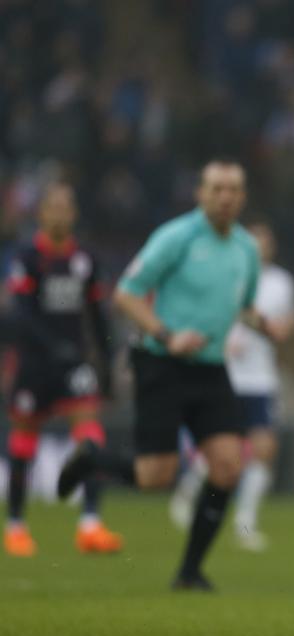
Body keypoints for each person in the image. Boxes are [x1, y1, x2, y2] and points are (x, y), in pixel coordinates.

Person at [57, 159, 273, 592]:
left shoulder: (246, 249)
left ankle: (190, 572)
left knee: (229, 467)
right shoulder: (176, 237)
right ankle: (91, 461)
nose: (225, 196)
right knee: (156, 476)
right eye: (217, 188)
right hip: (161, 361)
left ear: (243, 197)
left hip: (210, 367)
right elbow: (126, 294)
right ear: (200, 193)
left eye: (233, 189)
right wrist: (166, 334)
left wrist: (267, 325)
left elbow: (243, 307)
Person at [3, 183, 124, 557]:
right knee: (24, 443)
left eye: (65, 208)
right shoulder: (26, 256)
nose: (59, 214)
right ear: (40, 214)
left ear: (73, 215)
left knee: (91, 437)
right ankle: (16, 527)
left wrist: (106, 362)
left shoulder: (85, 258)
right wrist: (51, 347)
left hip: (74, 364)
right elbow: (20, 314)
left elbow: (98, 314)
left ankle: (90, 525)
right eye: (52, 208)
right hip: (35, 365)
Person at [168, 220, 294, 551]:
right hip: (227, 375)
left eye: (264, 243)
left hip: (261, 377)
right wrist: (219, 342)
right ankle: (185, 498)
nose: (259, 249)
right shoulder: (230, 274)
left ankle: (246, 521)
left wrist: (280, 329)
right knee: (219, 448)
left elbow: (287, 322)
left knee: (264, 449)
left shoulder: (282, 283)